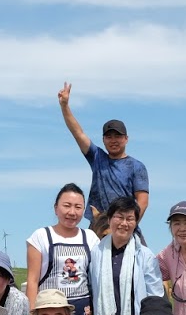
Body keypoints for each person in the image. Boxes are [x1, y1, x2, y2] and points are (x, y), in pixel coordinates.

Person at [57, 82, 149, 227]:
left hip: (125, 226)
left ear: (126, 139)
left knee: (142, 250)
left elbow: (142, 201)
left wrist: (130, 225)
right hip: (98, 226)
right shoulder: (97, 157)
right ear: (103, 140)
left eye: (118, 136)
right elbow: (78, 133)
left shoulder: (136, 166)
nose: (113, 140)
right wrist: (64, 106)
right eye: (109, 137)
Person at [88, 196, 163, 315]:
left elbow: (155, 295)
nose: (124, 223)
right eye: (119, 217)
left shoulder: (144, 255)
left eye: (130, 219)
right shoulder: (96, 253)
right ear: (109, 220)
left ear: (136, 223)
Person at [26, 183, 99, 315]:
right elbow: (32, 280)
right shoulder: (41, 236)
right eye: (67, 206)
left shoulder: (90, 238)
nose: (72, 212)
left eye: (78, 207)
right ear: (56, 208)